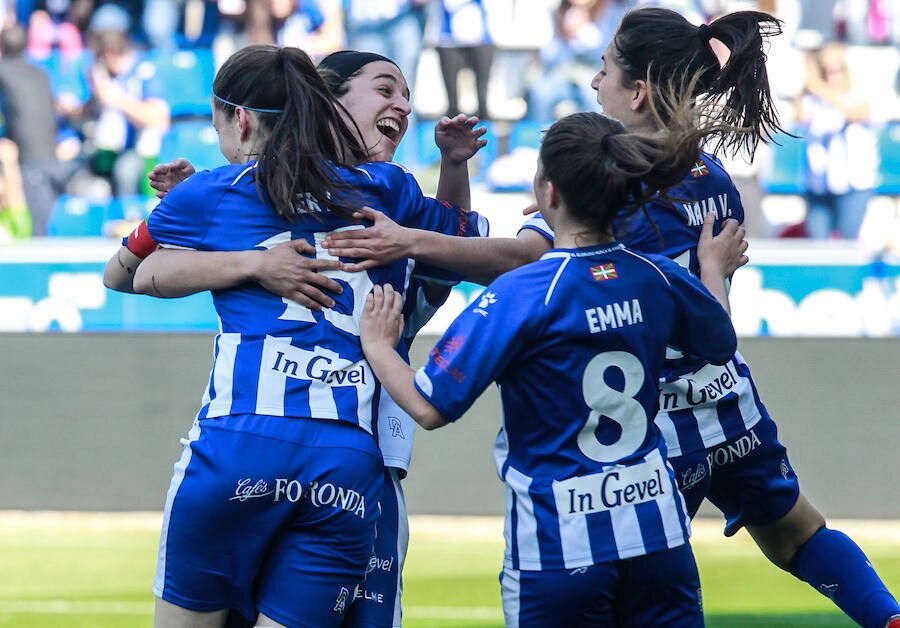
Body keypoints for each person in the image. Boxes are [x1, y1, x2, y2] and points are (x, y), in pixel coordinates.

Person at [325, 7, 900, 628]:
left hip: (641, 433)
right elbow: (711, 313)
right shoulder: (713, 179)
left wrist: (408, 241)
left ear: (638, 90)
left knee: (622, 574)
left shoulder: (608, 188)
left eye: (604, 72)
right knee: (797, 533)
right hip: (727, 399)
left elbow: (527, 260)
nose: (595, 84)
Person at [105, 46, 489, 627]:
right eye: (386, 90)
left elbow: (131, 274)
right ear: (323, 104)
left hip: (242, 442)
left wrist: (211, 231)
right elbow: (465, 249)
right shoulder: (390, 191)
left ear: (239, 119)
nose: (402, 106)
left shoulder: (219, 190)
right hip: (350, 461)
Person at [359, 109, 742, 626]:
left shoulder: (523, 293)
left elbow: (429, 407)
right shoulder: (654, 275)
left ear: (550, 194)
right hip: (660, 532)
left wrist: (381, 346)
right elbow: (720, 340)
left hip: (559, 544)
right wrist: (713, 268)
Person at [796, 41, 880, 240]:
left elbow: (858, 112)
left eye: (838, 69)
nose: (833, 76)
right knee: (817, 244)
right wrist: (809, 78)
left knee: (849, 243)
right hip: (818, 186)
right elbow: (799, 115)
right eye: (827, 70)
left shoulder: (859, 94)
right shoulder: (812, 100)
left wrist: (818, 87)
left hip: (854, 185)